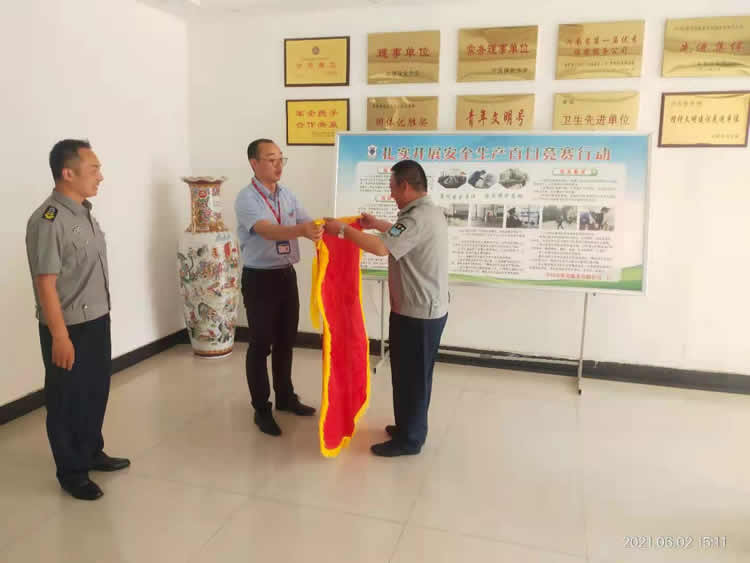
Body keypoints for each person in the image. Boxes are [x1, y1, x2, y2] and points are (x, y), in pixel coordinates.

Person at [25, 139, 129, 501]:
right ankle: (71, 471)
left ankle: (91, 451)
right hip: (68, 327)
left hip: (97, 319)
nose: (101, 176)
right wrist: (59, 336)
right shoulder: (48, 221)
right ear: (68, 173)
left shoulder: (83, 212)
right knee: (67, 399)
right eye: (94, 169)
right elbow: (45, 283)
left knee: (95, 391)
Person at [323, 160, 449, 457]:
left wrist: (342, 230)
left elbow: (381, 248)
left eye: (392, 188)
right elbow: (399, 237)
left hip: (418, 314)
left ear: (405, 186)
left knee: (413, 378)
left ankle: (410, 439)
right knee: (408, 374)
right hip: (419, 309)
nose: (391, 195)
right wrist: (377, 224)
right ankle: (407, 427)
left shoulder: (417, 218)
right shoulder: (426, 212)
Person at [234, 138, 323, 436]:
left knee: (286, 340)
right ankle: (261, 408)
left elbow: (309, 222)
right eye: (271, 159)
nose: (278, 165)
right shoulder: (246, 199)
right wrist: (302, 230)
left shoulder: (287, 195)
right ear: (254, 163)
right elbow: (267, 230)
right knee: (261, 344)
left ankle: (285, 397)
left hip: (286, 275)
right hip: (260, 278)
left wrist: (334, 227)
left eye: (280, 159)